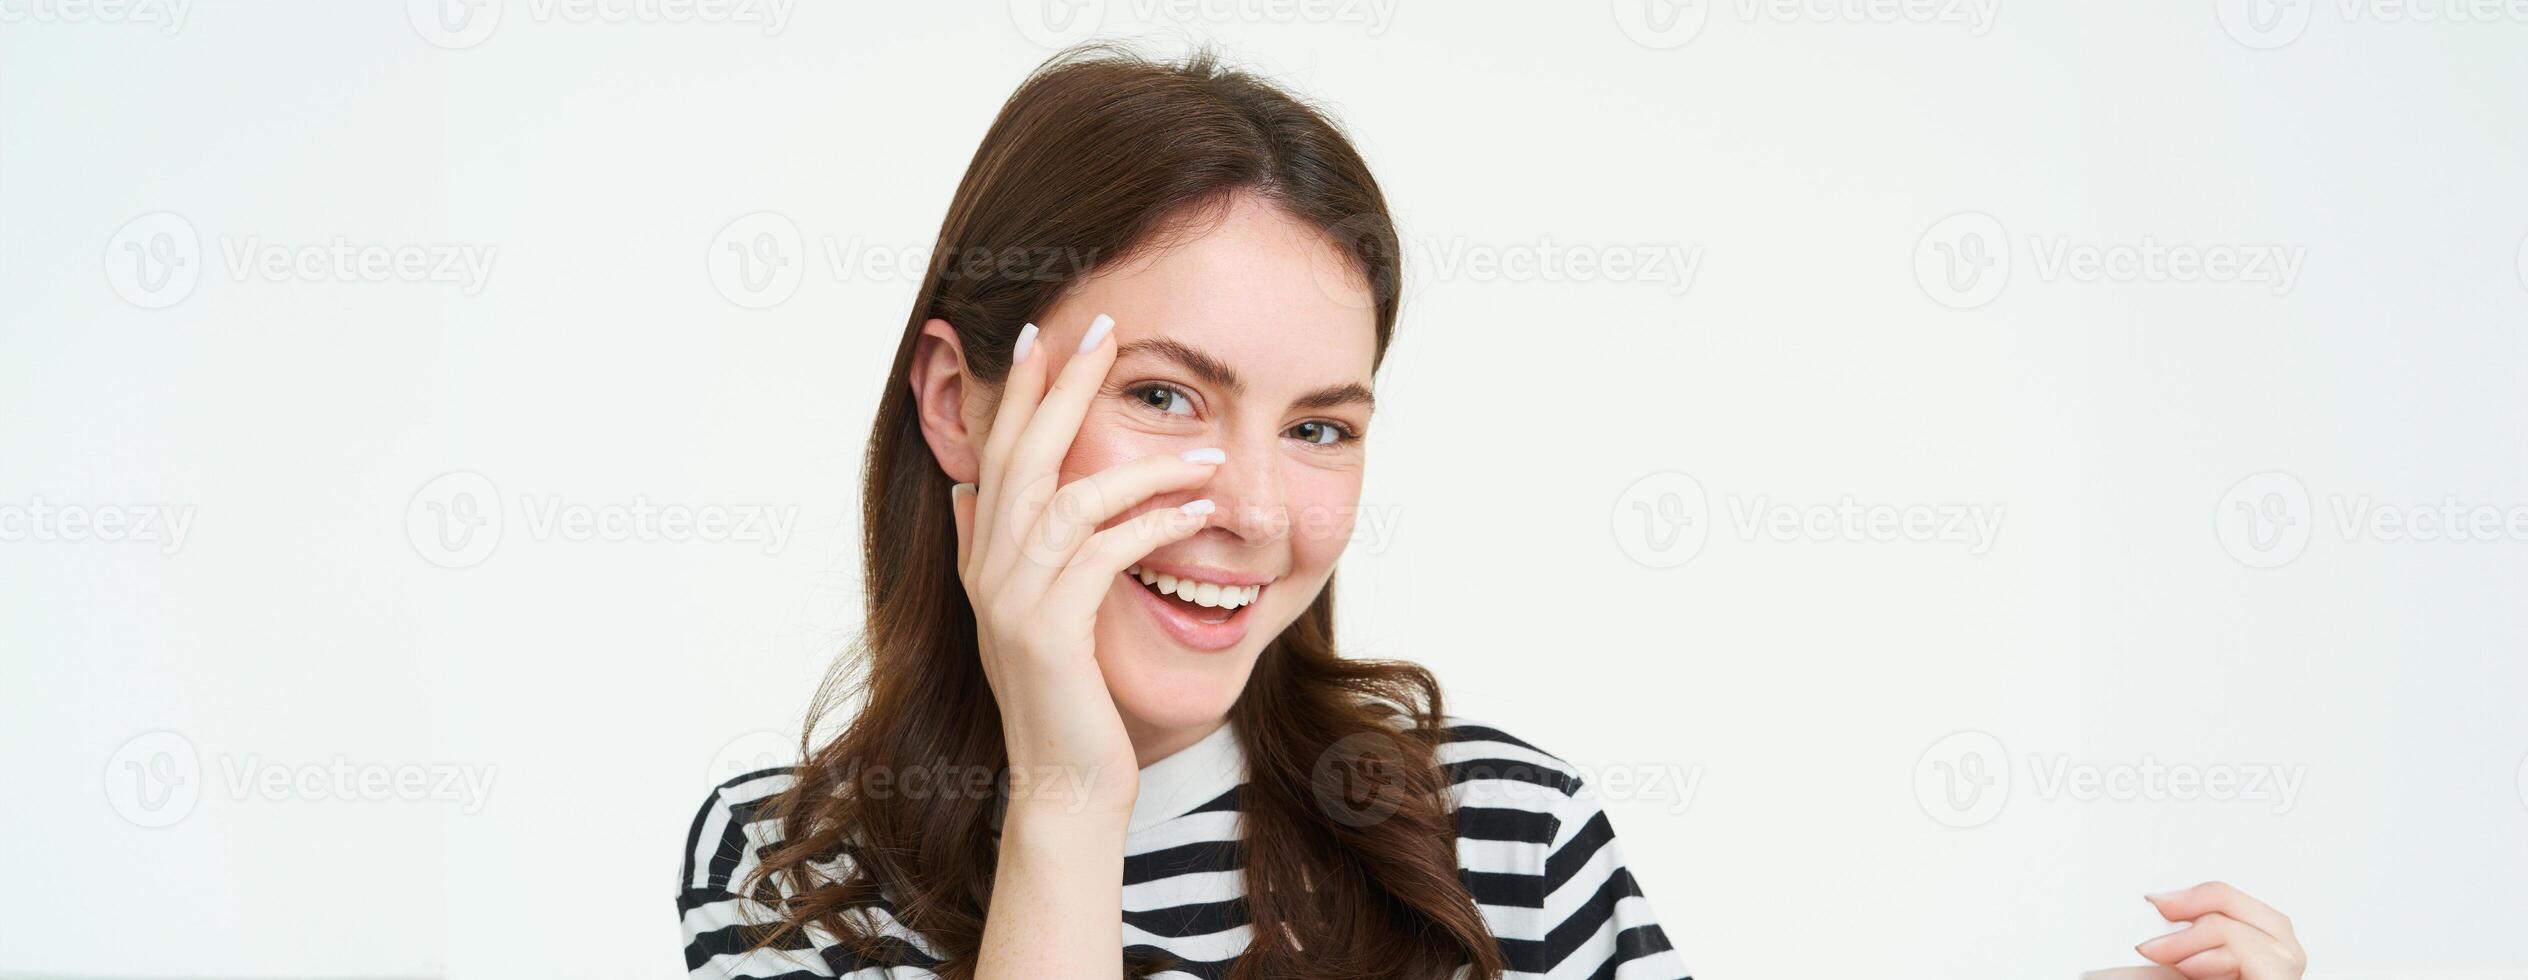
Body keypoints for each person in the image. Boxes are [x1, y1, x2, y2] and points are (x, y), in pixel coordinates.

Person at [676, 45, 2309, 980]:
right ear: (961, 403)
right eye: (1167, 394)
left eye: (1319, 425)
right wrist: (1067, 800)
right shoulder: (784, 868)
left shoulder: (1487, 831)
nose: (1253, 507)